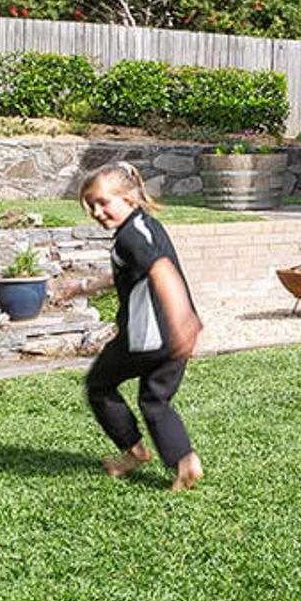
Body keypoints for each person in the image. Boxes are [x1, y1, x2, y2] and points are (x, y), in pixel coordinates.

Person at [78, 161, 205, 489]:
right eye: (91, 205)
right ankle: (185, 461)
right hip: (173, 341)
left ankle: (134, 452)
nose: (96, 211)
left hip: (147, 338)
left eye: (103, 202)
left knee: (99, 386)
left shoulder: (129, 238)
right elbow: (131, 272)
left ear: (129, 199)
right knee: (155, 400)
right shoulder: (145, 226)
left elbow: (162, 271)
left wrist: (182, 322)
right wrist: (80, 288)